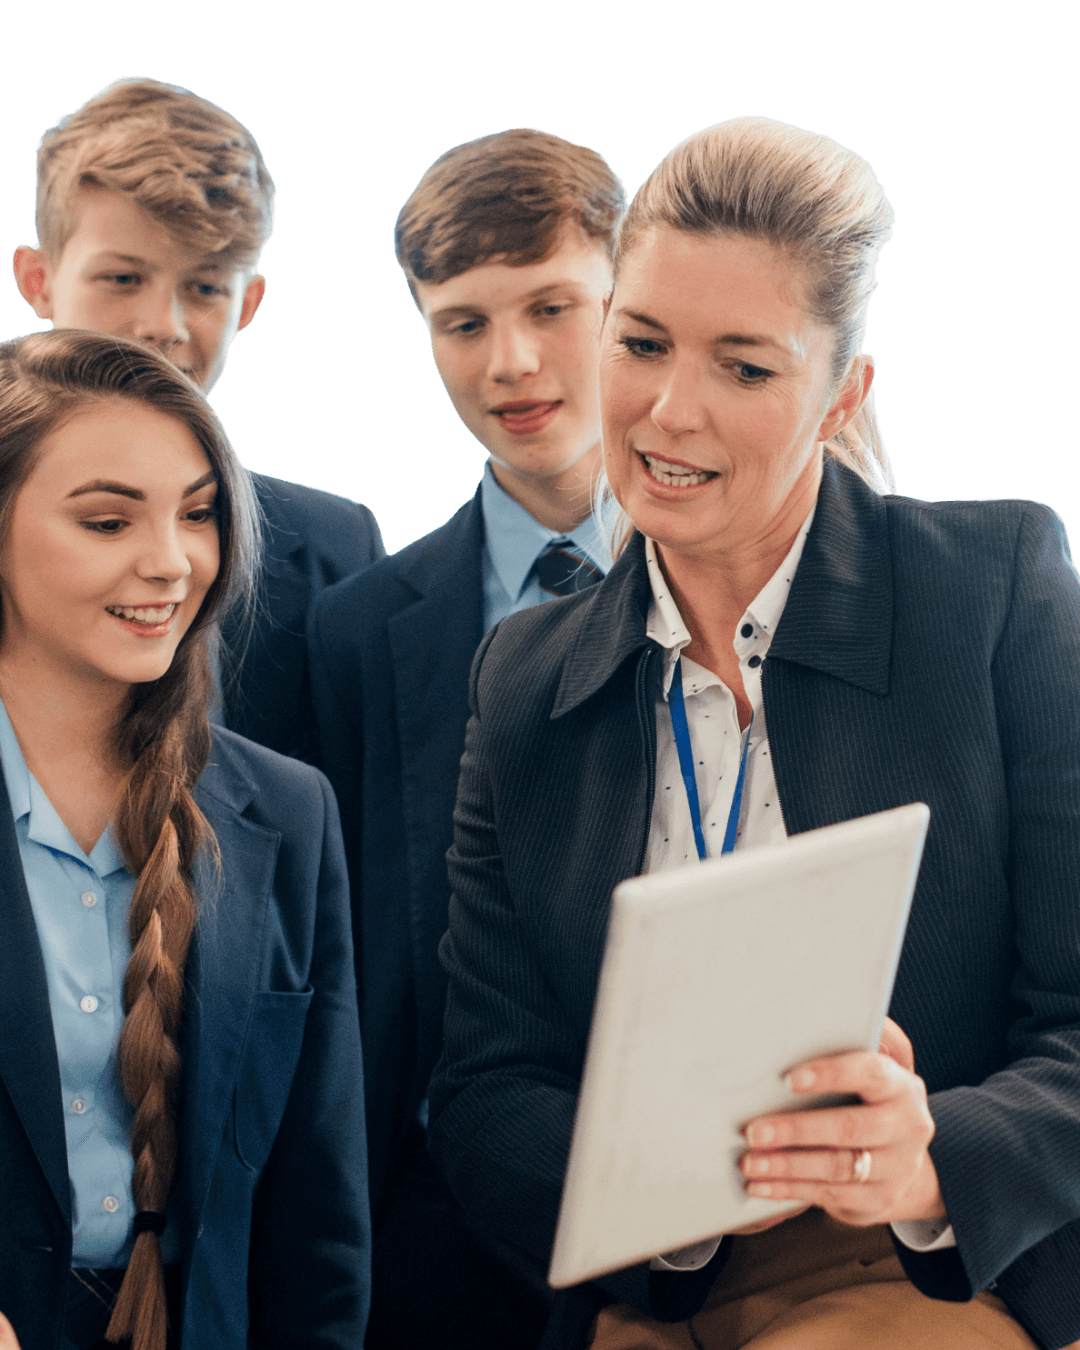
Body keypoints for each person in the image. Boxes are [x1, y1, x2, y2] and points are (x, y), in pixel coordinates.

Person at [427, 116, 1080, 1350]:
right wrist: (661, 1195)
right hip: (654, 1274)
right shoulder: (524, 677)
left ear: (843, 399)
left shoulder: (994, 590)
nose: (670, 412)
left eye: (745, 368)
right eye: (642, 344)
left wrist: (930, 1162)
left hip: (927, 1261)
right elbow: (484, 1093)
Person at [306, 128, 626, 1347]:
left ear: (626, 295)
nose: (513, 363)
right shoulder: (356, 633)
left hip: (720, 1193)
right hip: (446, 1234)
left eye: (552, 306)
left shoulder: (741, 570)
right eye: (462, 323)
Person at [0, 330, 370, 1350]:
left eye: (199, 514)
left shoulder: (286, 815)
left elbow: (318, 1224)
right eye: (108, 520)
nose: (171, 562)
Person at [10, 77, 384, 761]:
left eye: (205, 286)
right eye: (123, 278)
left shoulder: (333, 550)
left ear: (248, 306)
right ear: (39, 281)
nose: (163, 325)